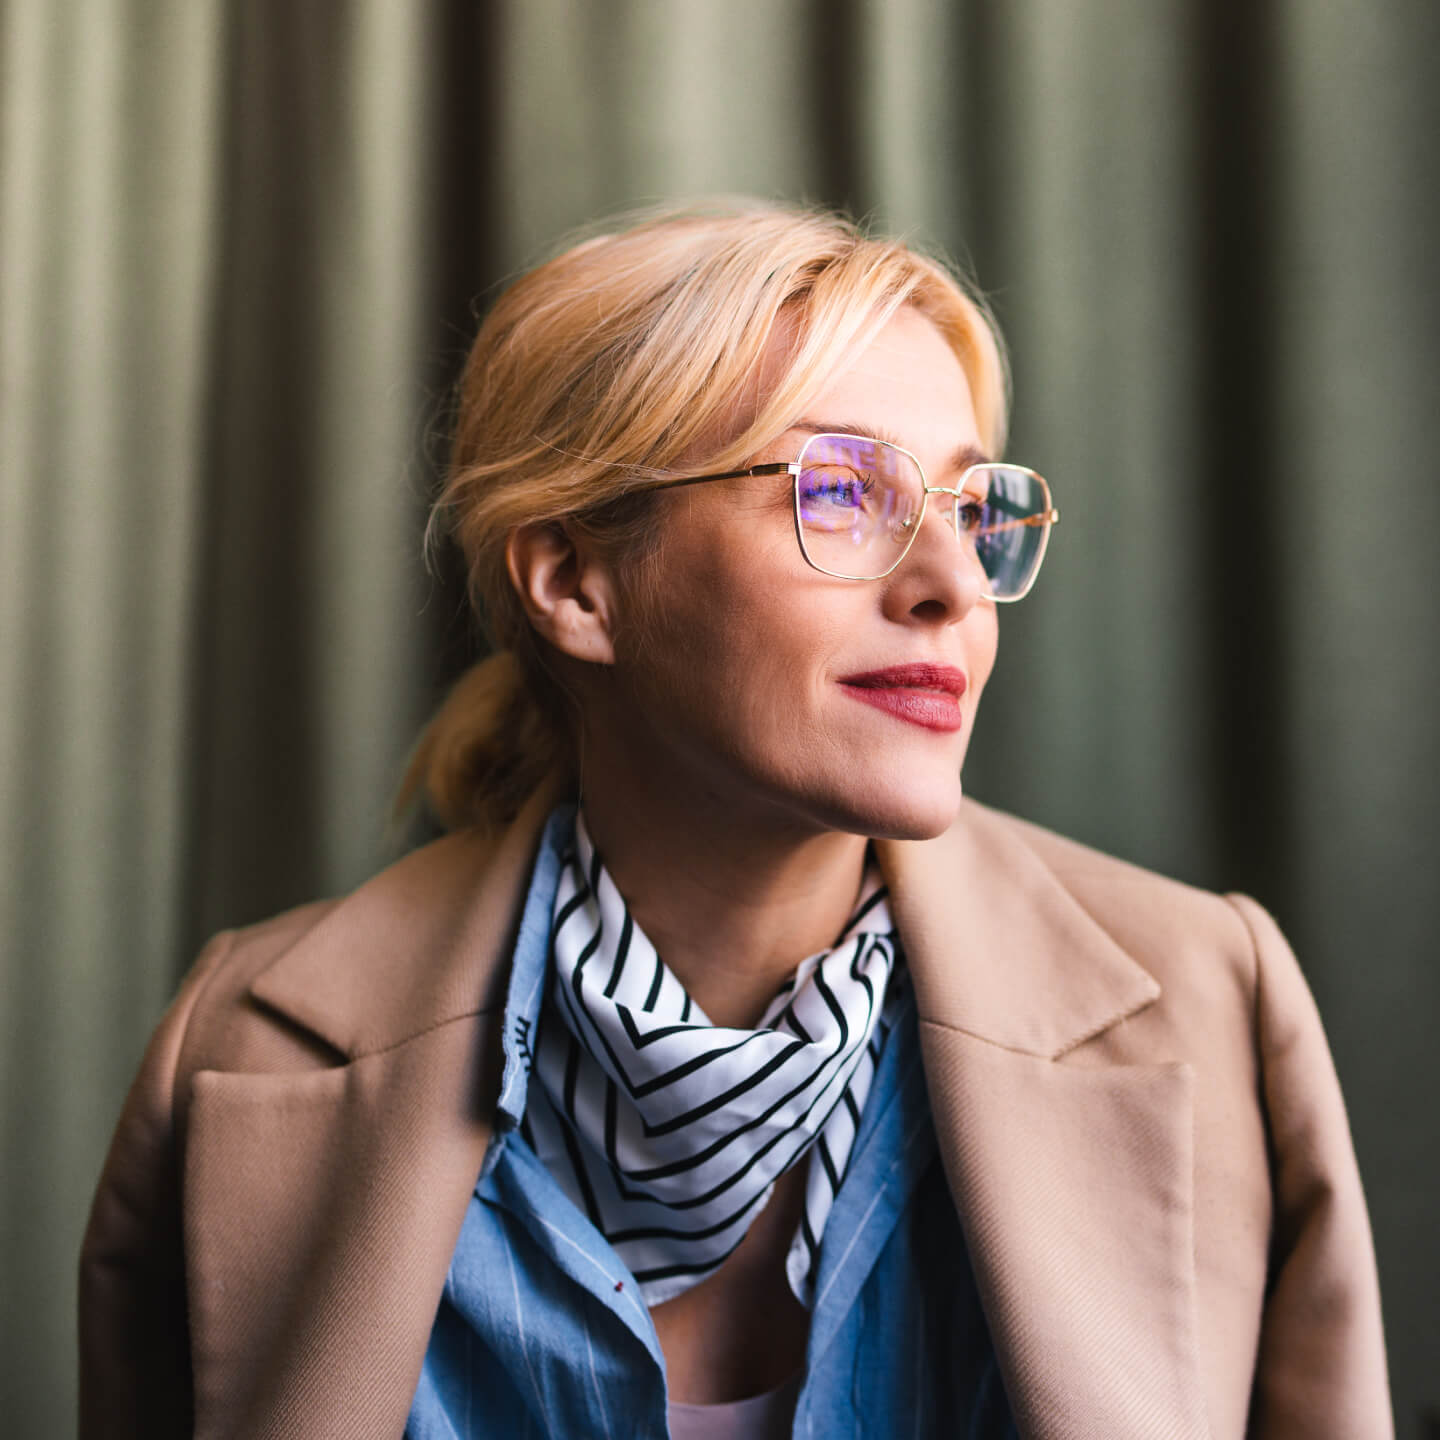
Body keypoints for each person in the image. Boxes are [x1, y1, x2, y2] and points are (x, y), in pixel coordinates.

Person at [79, 201, 1391, 1439]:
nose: (950, 587)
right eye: (838, 492)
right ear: (575, 584)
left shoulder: (1219, 1006)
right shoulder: (237, 1045)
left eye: (971, 505)